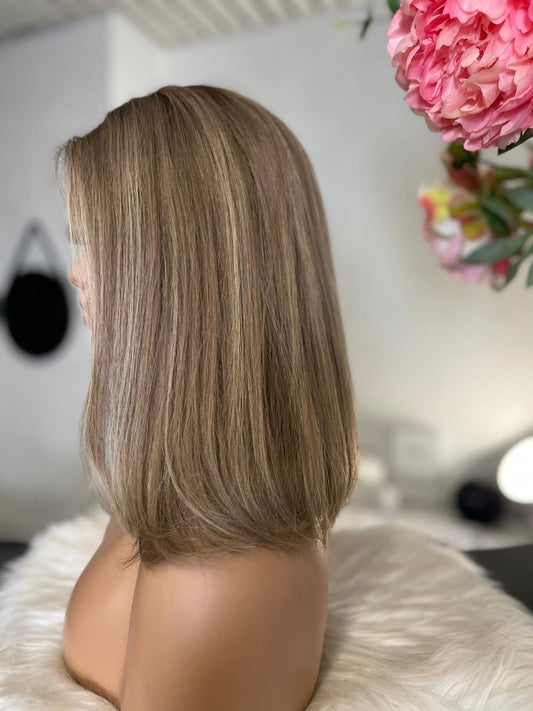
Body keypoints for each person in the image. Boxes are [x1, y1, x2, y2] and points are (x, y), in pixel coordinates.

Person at [55, 84, 359, 710]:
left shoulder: (215, 581)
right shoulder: (177, 490)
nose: (76, 271)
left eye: (98, 242)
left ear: (185, 269)